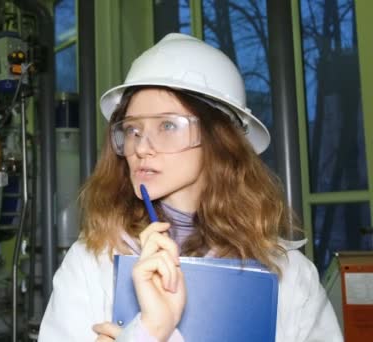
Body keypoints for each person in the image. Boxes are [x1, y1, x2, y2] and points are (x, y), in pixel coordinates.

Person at [38, 33, 342, 341]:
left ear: (219, 139)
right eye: (132, 129)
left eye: (167, 126)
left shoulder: (288, 276)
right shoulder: (92, 263)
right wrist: (146, 332)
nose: (142, 147)